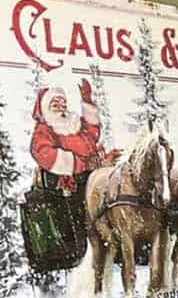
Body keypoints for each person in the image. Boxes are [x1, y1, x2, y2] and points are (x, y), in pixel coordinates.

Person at [28, 77, 117, 257]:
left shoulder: (73, 124)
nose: (61, 107)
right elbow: (45, 154)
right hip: (67, 180)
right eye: (55, 104)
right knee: (82, 208)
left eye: (63, 103)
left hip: (90, 173)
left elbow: (92, 132)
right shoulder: (45, 129)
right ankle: (84, 249)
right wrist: (81, 164)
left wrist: (86, 100)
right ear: (46, 108)